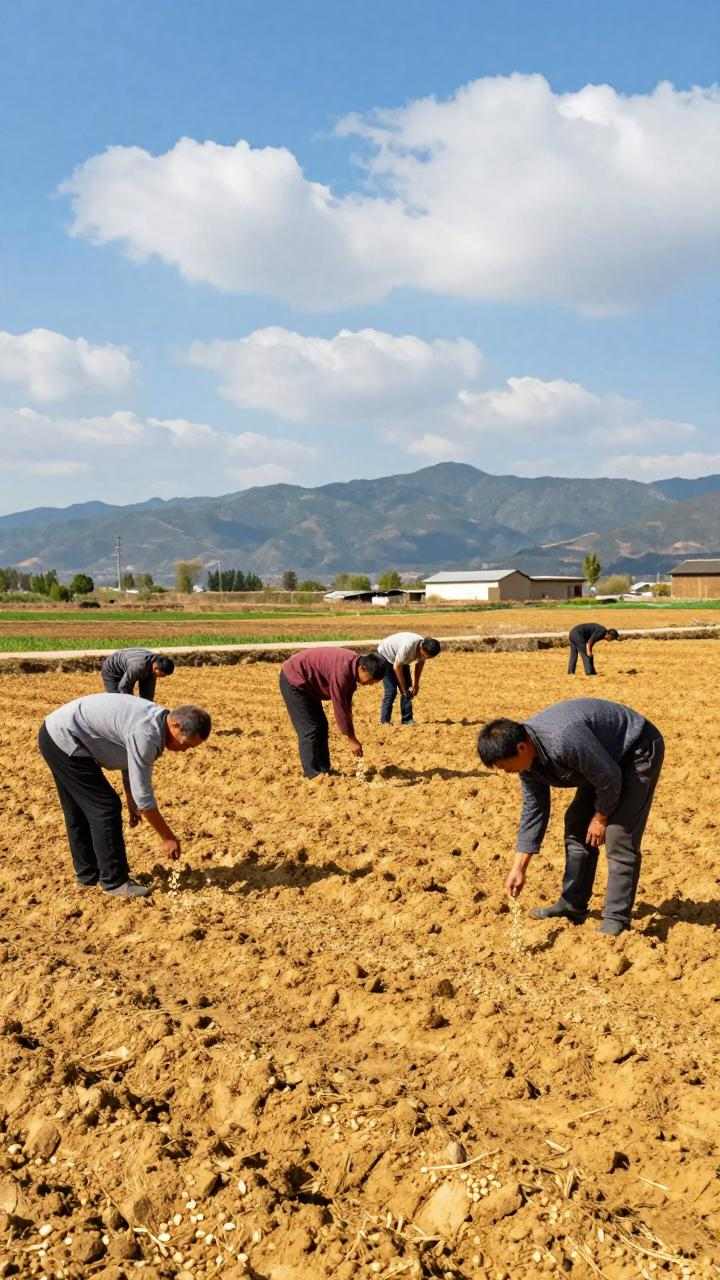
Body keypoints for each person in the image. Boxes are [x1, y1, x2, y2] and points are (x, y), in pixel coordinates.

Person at [477, 698, 664, 935]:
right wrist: (519, 868)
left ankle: (616, 918)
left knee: (619, 836)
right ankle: (572, 905)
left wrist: (601, 817)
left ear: (521, 748)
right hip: (600, 760)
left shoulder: (563, 740)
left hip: (636, 749)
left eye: (505, 766)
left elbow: (610, 778)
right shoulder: (527, 763)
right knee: (577, 824)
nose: (506, 772)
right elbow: (535, 810)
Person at [38, 693, 211, 898]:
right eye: (186, 744)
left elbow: (129, 757)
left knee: (78, 809)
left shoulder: (155, 719)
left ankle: (88, 876)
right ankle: (115, 883)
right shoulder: (147, 734)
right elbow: (144, 798)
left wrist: (130, 798)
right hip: (65, 739)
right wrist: (167, 837)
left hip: (55, 733)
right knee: (105, 808)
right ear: (175, 725)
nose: (184, 750)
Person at [280, 647, 387, 778]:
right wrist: (351, 739)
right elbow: (340, 706)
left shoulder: (352, 666)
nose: (370, 684)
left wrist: (350, 732)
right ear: (362, 668)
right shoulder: (342, 672)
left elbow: (346, 705)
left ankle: (324, 769)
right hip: (294, 680)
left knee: (321, 726)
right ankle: (312, 774)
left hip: (308, 685)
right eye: (371, 680)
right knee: (309, 729)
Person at [377, 633, 442, 726]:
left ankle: (407, 719)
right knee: (391, 691)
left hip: (401, 660)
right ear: (421, 649)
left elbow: (419, 665)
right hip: (385, 656)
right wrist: (403, 689)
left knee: (408, 689)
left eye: (428, 657)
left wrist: (416, 685)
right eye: (425, 656)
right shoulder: (408, 647)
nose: (426, 658)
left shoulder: (425, 649)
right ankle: (385, 720)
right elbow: (397, 667)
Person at [101, 648, 175, 700]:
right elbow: (124, 686)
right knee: (117, 699)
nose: (162, 677)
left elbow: (148, 694)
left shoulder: (154, 665)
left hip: (129, 665)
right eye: (162, 675)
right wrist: (132, 704)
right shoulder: (139, 666)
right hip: (112, 670)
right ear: (156, 668)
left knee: (147, 697)